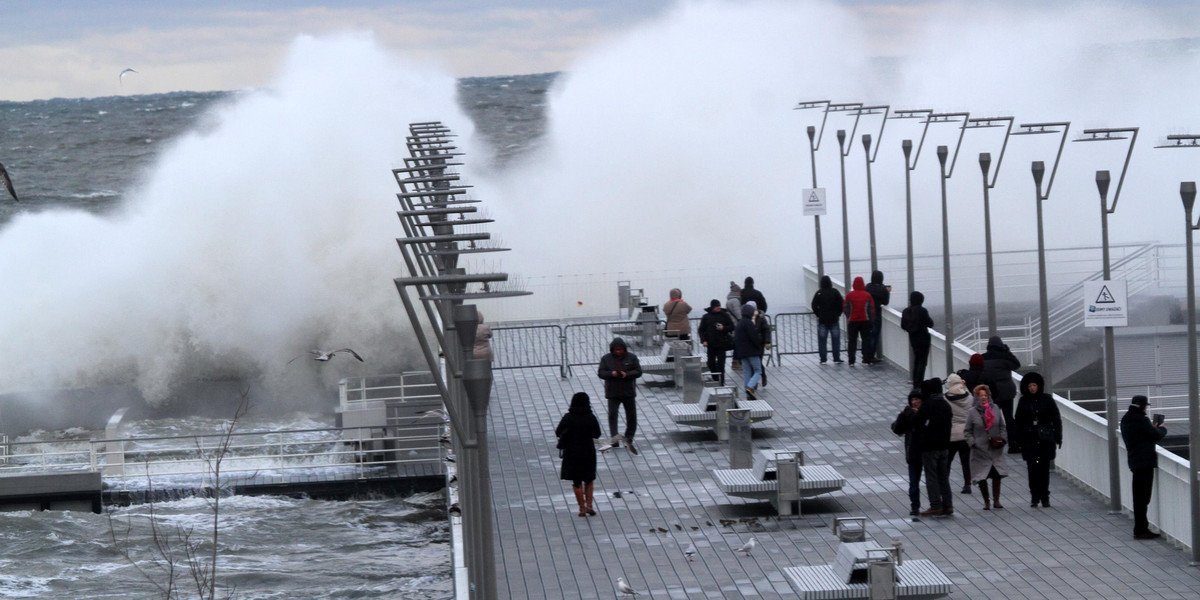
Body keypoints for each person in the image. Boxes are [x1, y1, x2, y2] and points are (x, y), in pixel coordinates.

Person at [1121, 395, 1167, 539]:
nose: (1146, 409)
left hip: (1134, 460)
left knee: (1138, 497)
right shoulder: (1141, 419)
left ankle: (1140, 528)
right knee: (1143, 498)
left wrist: (1150, 429)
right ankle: (1141, 530)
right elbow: (1155, 436)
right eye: (1145, 406)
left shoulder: (1126, 419)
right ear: (1141, 406)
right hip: (1145, 462)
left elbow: (1142, 434)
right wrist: (1162, 429)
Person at [1014, 371, 1061, 508]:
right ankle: (1034, 496)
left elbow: (1056, 418)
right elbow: (1018, 421)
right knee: (1032, 469)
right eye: (1030, 386)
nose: (1032, 388)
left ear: (1039, 386)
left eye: (1034, 385)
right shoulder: (1023, 401)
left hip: (1045, 439)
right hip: (1029, 440)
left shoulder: (1047, 399)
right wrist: (1018, 439)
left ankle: (1045, 496)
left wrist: (1057, 435)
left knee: (1044, 469)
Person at [556, 392, 602, 516]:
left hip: (572, 452)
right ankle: (590, 506)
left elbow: (558, 431)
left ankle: (581, 508)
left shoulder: (568, 417)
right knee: (589, 479)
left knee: (576, 481)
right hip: (588, 451)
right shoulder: (590, 417)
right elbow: (597, 434)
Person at [964, 384, 1009, 510]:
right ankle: (986, 501)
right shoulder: (972, 412)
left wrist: (1003, 438)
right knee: (981, 476)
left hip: (995, 447)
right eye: (980, 396)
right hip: (980, 450)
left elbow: (1001, 425)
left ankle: (997, 500)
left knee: (996, 474)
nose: (983, 398)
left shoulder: (995, 409)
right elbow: (967, 431)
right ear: (976, 397)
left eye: (985, 395)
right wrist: (973, 443)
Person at [915, 378, 954, 517]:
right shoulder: (945, 404)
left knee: (931, 476)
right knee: (943, 476)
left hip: (930, 447)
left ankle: (935, 505)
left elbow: (918, 422)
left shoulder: (928, 405)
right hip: (944, 445)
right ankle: (948, 504)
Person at [597, 337, 642, 455]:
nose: (618, 352)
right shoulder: (606, 359)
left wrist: (626, 374)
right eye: (616, 350)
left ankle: (629, 437)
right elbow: (601, 373)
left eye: (620, 350)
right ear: (612, 350)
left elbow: (638, 371)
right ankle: (614, 438)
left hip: (628, 392)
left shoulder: (632, 357)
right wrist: (611, 374)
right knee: (612, 415)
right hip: (613, 393)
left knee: (631, 416)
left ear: (624, 349)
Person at [982, 335, 1021, 454]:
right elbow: (1017, 365)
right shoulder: (1005, 357)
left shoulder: (983, 358)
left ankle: (992, 443)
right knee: (1009, 418)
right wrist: (1007, 351)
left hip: (991, 393)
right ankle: (1013, 445)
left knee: (991, 419)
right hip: (1007, 392)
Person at [891, 389, 925, 516]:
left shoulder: (925, 412)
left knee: (933, 479)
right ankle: (914, 506)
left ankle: (936, 504)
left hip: (926, 451)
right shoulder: (908, 415)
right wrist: (902, 415)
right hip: (913, 453)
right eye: (913, 400)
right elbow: (896, 428)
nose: (915, 402)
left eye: (917, 399)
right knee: (913, 482)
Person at [944, 374, 974, 494]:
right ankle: (967, 484)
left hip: (951, 434)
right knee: (965, 461)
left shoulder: (945, 398)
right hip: (965, 433)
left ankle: (944, 483)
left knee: (947, 461)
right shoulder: (969, 397)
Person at [697, 299, 735, 384]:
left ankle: (721, 382)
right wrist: (703, 340)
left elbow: (732, 326)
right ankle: (715, 379)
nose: (719, 308)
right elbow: (701, 330)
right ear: (712, 307)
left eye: (719, 306)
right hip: (710, 344)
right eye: (717, 307)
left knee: (721, 364)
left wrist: (723, 328)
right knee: (711, 363)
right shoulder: (706, 317)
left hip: (722, 344)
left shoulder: (725, 315)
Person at [900, 291, 934, 387]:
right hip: (924, 338)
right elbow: (930, 324)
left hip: (913, 339)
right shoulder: (922, 310)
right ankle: (919, 382)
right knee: (922, 361)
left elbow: (903, 325)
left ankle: (915, 381)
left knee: (917, 360)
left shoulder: (906, 311)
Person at [810, 275, 844, 364]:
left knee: (822, 341)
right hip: (834, 320)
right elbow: (841, 304)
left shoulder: (819, 293)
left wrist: (818, 314)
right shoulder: (835, 292)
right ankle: (836, 358)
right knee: (836, 340)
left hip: (822, 320)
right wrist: (838, 314)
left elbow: (813, 305)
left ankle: (823, 359)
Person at [842, 276, 876, 367]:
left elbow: (845, 307)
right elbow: (871, 309)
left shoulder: (849, 295)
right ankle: (866, 359)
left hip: (853, 321)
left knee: (852, 341)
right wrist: (871, 319)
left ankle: (851, 361)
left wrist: (849, 316)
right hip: (865, 320)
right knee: (866, 340)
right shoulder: (867, 295)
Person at [732, 304, 764, 399]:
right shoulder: (749, 323)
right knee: (758, 370)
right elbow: (753, 337)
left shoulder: (740, 323)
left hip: (742, 352)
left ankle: (747, 390)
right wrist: (758, 346)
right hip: (752, 351)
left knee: (747, 371)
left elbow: (736, 339)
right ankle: (750, 387)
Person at [863, 270, 891, 364]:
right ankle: (870, 356)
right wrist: (888, 291)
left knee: (867, 336)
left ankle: (865, 355)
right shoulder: (883, 290)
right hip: (876, 314)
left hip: (866, 313)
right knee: (874, 335)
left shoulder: (867, 287)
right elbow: (885, 302)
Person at [748, 301, 772, 388]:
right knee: (751, 363)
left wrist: (767, 342)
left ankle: (762, 375)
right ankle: (754, 382)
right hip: (749, 344)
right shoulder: (746, 318)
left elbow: (766, 330)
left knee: (757, 362)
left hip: (759, 343)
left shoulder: (761, 318)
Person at [726, 282, 743, 370]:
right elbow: (738, 314)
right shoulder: (735, 301)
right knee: (738, 343)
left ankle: (736, 361)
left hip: (732, 324)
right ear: (738, 292)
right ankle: (736, 361)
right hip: (736, 325)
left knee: (737, 343)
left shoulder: (729, 300)